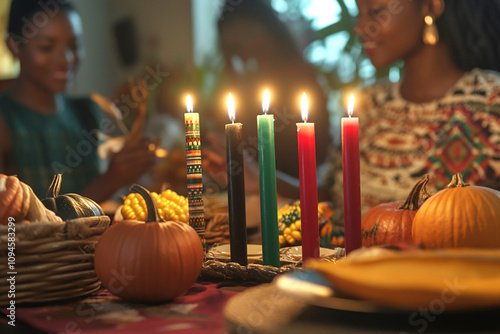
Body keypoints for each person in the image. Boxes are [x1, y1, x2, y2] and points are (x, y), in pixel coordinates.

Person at [331, 0, 500, 216]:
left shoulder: (492, 103)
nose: (360, 27)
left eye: (375, 11)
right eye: (359, 13)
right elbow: (327, 201)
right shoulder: (366, 106)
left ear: (431, 6)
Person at [0, 0, 156, 203]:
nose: (66, 59)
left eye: (74, 46)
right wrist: (109, 181)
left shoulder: (87, 110)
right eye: (47, 47)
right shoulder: (6, 121)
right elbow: (17, 225)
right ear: (14, 47)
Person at [203, 0, 332, 200]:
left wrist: (261, 173)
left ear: (267, 31)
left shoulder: (300, 80)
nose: (245, 53)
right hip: (247, 198)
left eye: (247, 37)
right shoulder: (235, 85)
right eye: (234, 48)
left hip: (294, 196)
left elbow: (319, 150)